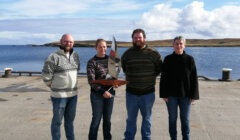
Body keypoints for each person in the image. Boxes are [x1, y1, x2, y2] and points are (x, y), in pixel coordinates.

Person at [121, 28, 162, 140]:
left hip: (148, 94)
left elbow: (158, 70)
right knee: (130, 119)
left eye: (140, 37)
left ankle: (146, 138)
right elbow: (125, 69)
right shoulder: (126, 54)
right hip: (131, 94)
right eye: (135, 37)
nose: (137, 39)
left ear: (144, 38)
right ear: (132, 39)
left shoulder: (154, 54)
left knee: (147, 119)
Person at [160, 36, 199, 140]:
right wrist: (163, 94)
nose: (178, 46)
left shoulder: (190, 59)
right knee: (172, 119)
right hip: (171, 96)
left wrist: (194, 95)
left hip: (186, 96)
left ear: (184, 45)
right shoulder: (168, 59)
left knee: (185, 120)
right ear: (173, 45)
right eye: (176, 44)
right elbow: (163, 78)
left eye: (181, 43)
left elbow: (194, 78)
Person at [42, 34, 80, 140]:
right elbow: (46, 77)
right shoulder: (53, 57)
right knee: (57, 122)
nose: (68, 44)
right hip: (59, 96)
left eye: (71, 42)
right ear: (61, 41)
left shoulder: (76, 56)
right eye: (66, 41)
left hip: (73, 96)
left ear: (73, 43)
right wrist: (55, 87)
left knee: (70, 122)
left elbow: (76, 71)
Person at [87, 39, 118, 140]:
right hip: (97, 95)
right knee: (96, 120)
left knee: (107, 121)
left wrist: (115, 83)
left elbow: (114, 76)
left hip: (110, 93)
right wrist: (102, 91)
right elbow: (92, 81)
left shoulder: (111, 60)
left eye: (104, 46)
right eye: (100, 47)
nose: (102, 49)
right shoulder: (92, 62)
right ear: (96, 48)